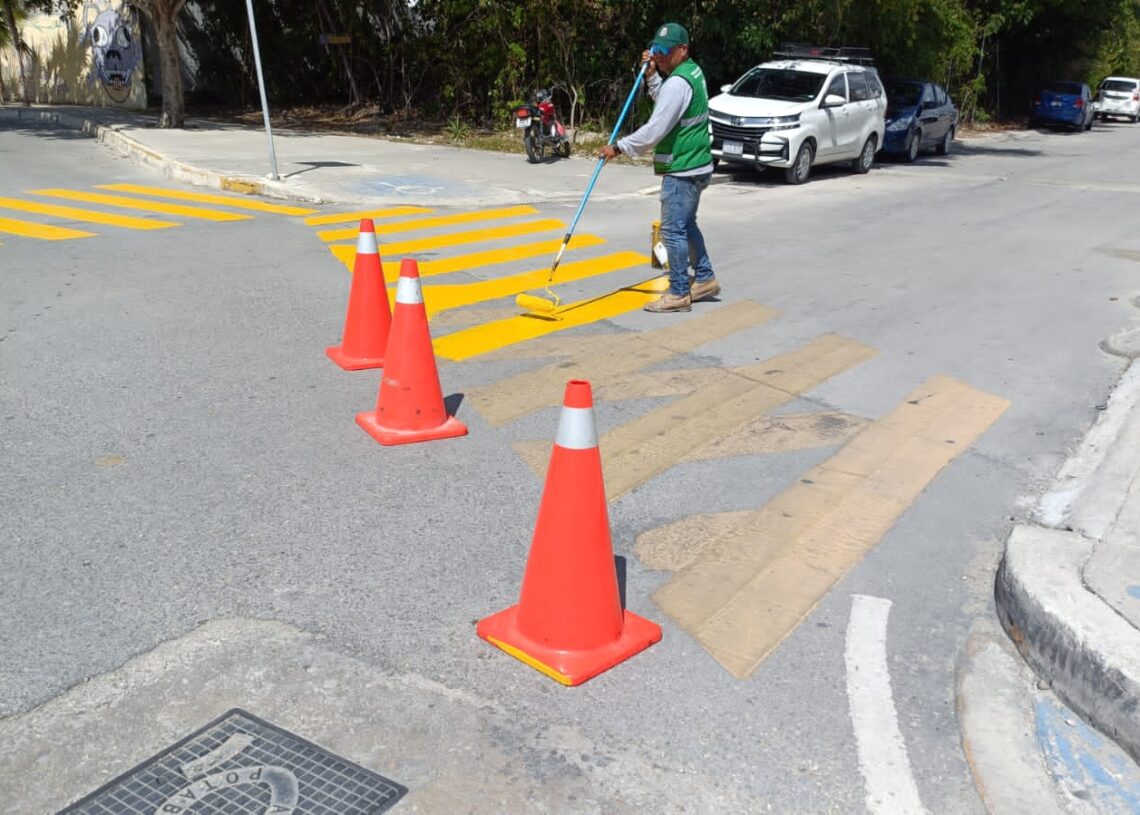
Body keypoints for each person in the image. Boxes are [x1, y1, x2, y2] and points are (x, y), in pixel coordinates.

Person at [598, 22, 718, 314]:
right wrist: (652, 77)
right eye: (655, 49)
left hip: (682, 168)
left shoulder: (677, 83)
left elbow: (655, 130)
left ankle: (678, 292)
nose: (658, 55)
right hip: (697, 164)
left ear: (682, 49)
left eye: (665, 51)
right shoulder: (691, 72)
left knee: (673, 231)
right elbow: (668, 103)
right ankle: (704, 279)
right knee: (686, 225)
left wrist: (619, 147)